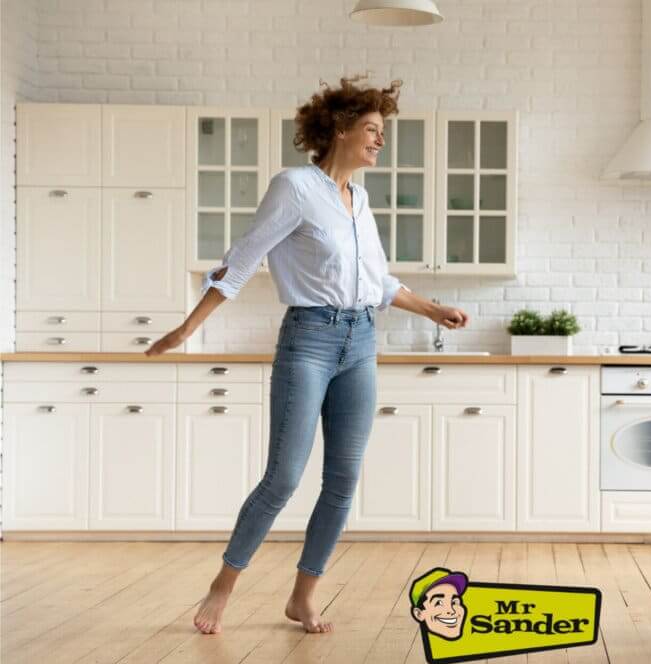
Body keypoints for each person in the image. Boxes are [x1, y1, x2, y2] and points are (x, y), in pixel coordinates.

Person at [146, 76, 470, 635]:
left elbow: (377, 281)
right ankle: (223, 586)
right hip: (310, 341)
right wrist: (186, 328)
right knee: (284, 476)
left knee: (343, 479)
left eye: (382, 132)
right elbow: (243, 261)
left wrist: (432, 308)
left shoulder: (359, 199)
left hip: (361, 342)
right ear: (339, 130)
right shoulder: (294, 187)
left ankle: (303, 595)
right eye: (371, 130)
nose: (379, 141)